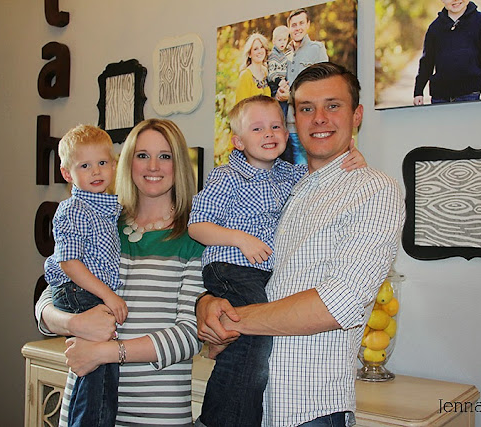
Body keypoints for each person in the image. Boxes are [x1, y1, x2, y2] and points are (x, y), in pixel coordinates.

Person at [197, 62, 405, 426]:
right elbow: (242, 267)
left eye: (333, 105)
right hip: (253, 405)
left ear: (357, 115)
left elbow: (339, 303)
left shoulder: (372, 189)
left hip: (308, 409)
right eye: (307, 108)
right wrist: (206, 303)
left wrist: (231, 320)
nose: (319, 118)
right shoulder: (285, 186)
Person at [35, 118, 205, 426]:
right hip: (85, 405)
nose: (153, 166)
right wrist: (75, 323)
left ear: (179, 163)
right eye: (142, 155)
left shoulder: (195, 236)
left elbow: (189, 336)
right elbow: (50, 297)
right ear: (126, 162)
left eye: (164, 156)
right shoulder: (102, 223)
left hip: (156, 413)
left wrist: (106, 353)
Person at [43, 124, 126, 427]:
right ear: (67, 173)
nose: (96, 171)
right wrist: (108, 295)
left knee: (95, 367)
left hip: (88, 291)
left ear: (114, 165)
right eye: (85, 166)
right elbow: (69, 263)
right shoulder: (74, 209)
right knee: (98, 367)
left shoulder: (108, 209)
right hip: (79, 290)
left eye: (102, 162)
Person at [413, 0, 481, 105]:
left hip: (470, 94)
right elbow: (427, 62)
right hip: (440, 97)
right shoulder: (435, 28)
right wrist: (418, 91)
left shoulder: (480, 21)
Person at [276, 8, 329, 165]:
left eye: (301, 23)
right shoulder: (283, 53)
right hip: (287, 124)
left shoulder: (316, 49)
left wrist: (291, 96)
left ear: (308, 24)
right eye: (293, 25)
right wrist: (278, 93)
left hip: (309, 124)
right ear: (289, 28)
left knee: (305, 167)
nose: (297, 28)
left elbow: (323, 87)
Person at [235, 32, 271, 103]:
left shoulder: (266, 72)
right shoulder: (245, 75)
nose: (260, 51)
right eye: (255, 49)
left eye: (262, 47)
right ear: (249, 54)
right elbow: (241, 105)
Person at [267, 25, 292, 118]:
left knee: (285, 108)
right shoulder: (273, 55)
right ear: (274, 41)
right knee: (279, 110)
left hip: (282, 84)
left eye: (285, 40)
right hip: (275, 85)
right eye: (279, 40)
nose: (282, 42)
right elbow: (271, 74)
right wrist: (279, 81)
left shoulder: (284, 56)